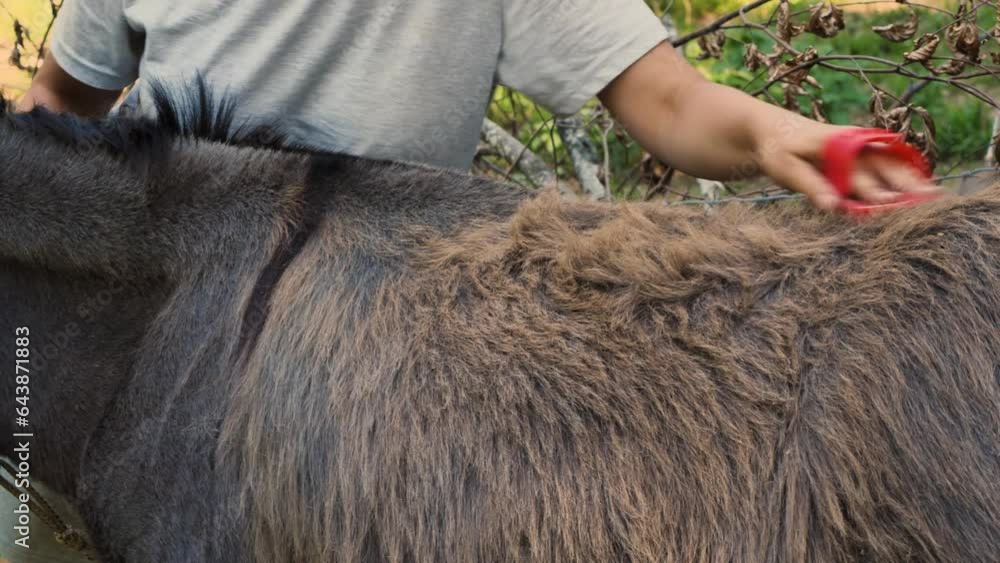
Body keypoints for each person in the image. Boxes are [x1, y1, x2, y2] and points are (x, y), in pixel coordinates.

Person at [2, 1, 939, 561]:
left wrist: (782, 139)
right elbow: (58, 112)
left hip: (377, 338)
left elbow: (667, 98)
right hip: (146, 296)